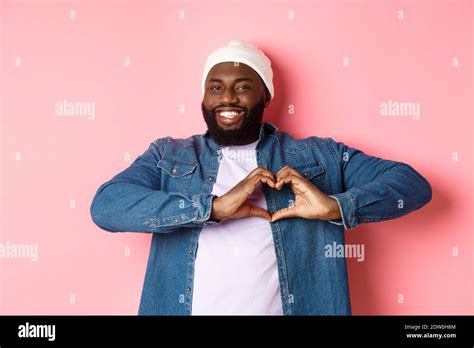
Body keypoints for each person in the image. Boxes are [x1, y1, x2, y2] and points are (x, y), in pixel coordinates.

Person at [90, 40, 432, 315]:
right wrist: (211, 208)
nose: (227, 98)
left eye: (242, 87)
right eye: (215, 87)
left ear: (265, 94)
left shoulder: (319, 156)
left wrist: (335, 207)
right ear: (204, 96)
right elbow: (106, 206)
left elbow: (412, 184)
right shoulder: (169, 155)